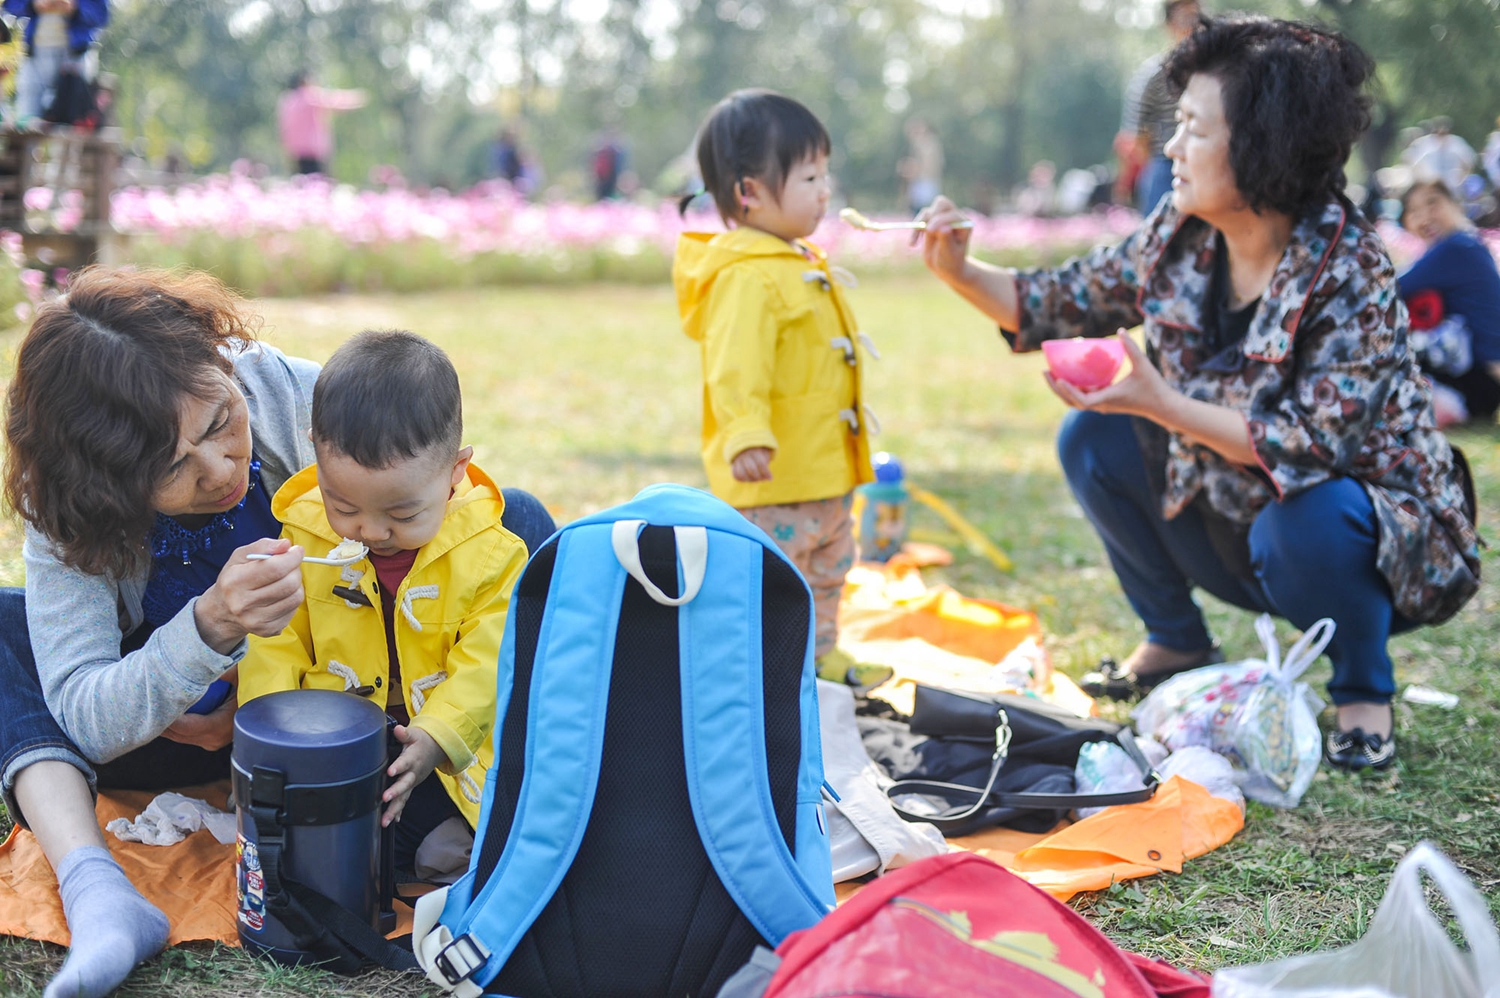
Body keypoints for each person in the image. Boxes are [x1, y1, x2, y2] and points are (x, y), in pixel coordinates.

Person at [917, 17, 1480, 772]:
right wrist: (959, 272)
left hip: (1367, 545)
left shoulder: (1351, 268)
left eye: (1191, 129)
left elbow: (1314, 447)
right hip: (1234, 515)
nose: (1170, 148)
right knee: (1093, 439)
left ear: (1261, 146)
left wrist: (1160, 402)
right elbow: (1061, 297)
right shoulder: (1179, 232)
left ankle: (1361, 691)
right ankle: (1175, 637)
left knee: (1306, 518)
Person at [0, 270, 554, 998]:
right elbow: (89, 718)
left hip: (347, 730)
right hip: (163, 741)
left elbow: (444, 537)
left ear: (222, 364)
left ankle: (521, 803)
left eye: (218, 422)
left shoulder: (292, 396)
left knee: (518, 521)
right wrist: (209, 628)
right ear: (109, 488)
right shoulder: (67, 505)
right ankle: (97, 890)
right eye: (173, 468)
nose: (221, 466)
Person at [239, 330, 533, 874]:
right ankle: (421, 849)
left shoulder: (492, 556)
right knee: (328, 825)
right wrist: (273, 748)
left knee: (483, 797)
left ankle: (449, 838)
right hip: (336, 745)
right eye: (341, 504)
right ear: (316, 456)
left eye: (402, 515)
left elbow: (488, 666)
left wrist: (436, 738)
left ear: (456, 472)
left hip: (443, 749)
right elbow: (275, 645)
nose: (371, 530)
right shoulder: (301, 539)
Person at [673, 89, 878, 686]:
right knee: (772, 577)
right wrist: (745, 434)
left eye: (826, 173)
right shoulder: (747, 277)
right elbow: (736, 365)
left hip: (821, 465)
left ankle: (821, 654)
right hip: (774, 477)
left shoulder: (793, 258)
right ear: (749, 192)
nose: (826, 189)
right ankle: (762, 669)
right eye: (810, 175)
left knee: (830, 563)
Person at [1397, 179, 1500, 426]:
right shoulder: (1470, 244)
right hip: (1481, 388)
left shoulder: (1456, 248)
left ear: (1455, 205)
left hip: (1473, 384)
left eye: (1433, 203)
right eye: (1414, 211)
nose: (1424, 217)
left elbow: (1385, 289)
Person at [1118, 0, 1200, 215]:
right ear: (1169, 25)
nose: (1193, 26)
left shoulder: (1213, 73)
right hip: (1165, 165)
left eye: (1198, 18)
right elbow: (1135, 135)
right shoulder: (1153, 75)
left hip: (1205, 162)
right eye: (1185, 18)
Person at [3, 0, 107, 124]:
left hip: (75, 60)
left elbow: (101, 15)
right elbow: (10, 6)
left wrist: (75, 7)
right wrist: (33, 4)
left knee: (73, 122)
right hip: (35, 57)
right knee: (27, 120)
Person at [276, 70, 366, 176]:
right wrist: (358, 98)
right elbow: (334, 101)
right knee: (316, 184)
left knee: (300, 182)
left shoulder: (287, 100)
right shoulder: (309, 96)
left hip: (294, 151)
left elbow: (283, 127)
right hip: (312, 150)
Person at [1405, 117, 1477, 195]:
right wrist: (1422, 180)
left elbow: (1469, 161)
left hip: (1453, 186)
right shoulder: (1425, 144)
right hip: (1432, 185)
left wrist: (1461, 179)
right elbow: (1412, 162)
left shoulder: (1456, 142)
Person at [898, 117, 944, 216]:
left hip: (925, 183)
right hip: (922, 183)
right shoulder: (923, 144)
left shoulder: (927, 144)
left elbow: (929, 166)